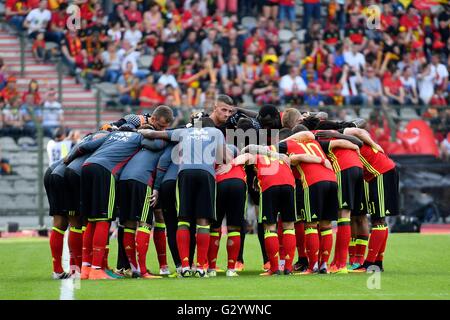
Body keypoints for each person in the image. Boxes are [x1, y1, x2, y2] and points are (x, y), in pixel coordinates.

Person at [138, 117, 230, 278]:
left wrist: (140, 131)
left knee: (183, 220)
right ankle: (201, 267)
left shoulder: (184, 132)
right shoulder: (216, 132)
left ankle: (185, 266)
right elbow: (223, 157)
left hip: (185, 174)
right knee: (203, 221)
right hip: (206, 174)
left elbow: (155, 134)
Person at [118, 107, 174, 279]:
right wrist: (156, 188)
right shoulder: (163, 142)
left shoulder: (135, 140)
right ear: (154, 119)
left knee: (128, 223)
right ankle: (142, 271)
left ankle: (133, 268)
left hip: (124, 179)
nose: (162, 131)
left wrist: (141, 133)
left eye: (165, 128)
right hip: (142, 182)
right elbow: (161, 165)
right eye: (161, 127)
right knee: (144, 224)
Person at [229, 143, 296, 276]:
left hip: (270, 185)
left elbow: (241, 159)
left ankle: (274, 268)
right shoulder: (278, 151)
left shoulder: (254, 155)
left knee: (270, 227)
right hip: (289, 184)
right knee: (289, 226)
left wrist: (230, 164)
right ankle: (288, 268)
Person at [342, 128, 399, 272]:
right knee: (380, 220)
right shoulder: (341, 135)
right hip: (381, 172)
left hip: (380, 173)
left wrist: (374, 144)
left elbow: (360, 132)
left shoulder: (340, 133)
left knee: (378, 220)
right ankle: (377, 263)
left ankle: (369, 263)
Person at [314, 129, 365, 273]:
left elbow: (343, 142)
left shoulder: (317, 137)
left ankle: (340, 264)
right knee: (348, 215)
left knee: (343, 214)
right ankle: (338, 261)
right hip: (357, 168)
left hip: (344, 169)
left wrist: (355, 146)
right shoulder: (332, 130)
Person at [207, 144, 247, 277]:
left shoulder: (213, 162)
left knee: (214, 227)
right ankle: (231, 269)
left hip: (219, 184)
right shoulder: (239, 161)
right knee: (234, 228)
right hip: (238, 183)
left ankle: (211, 268)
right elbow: (249, 155)